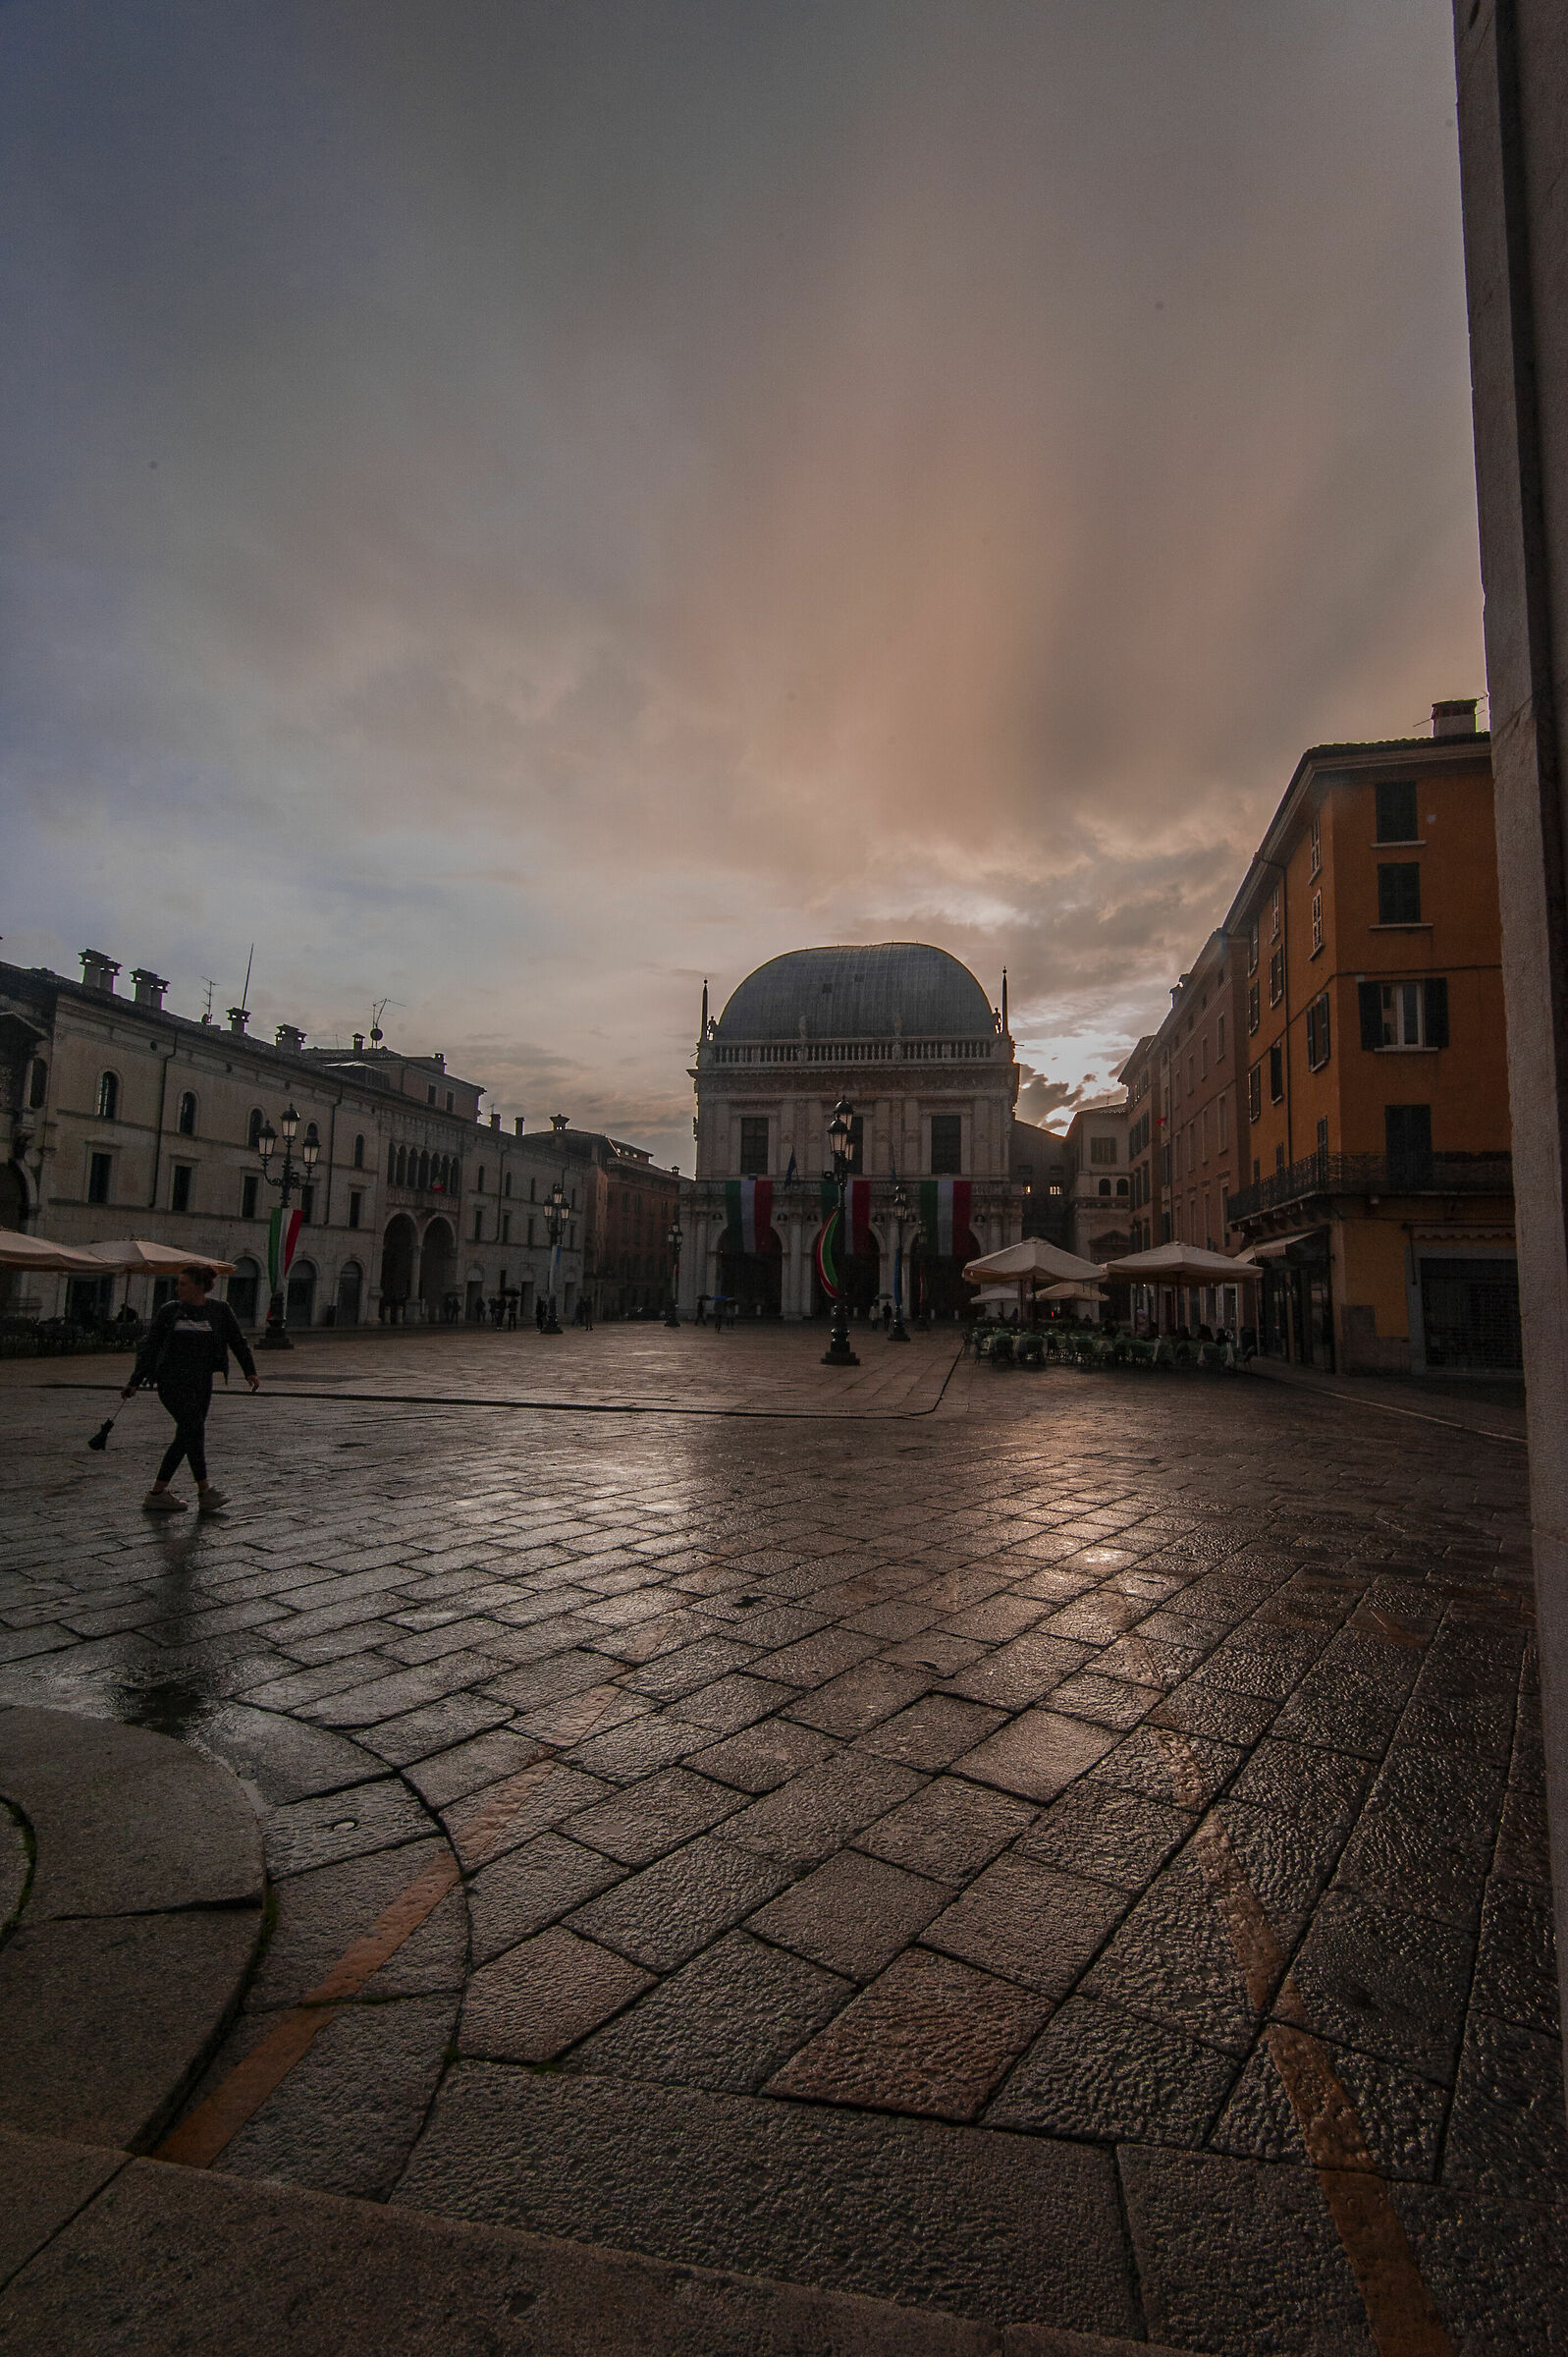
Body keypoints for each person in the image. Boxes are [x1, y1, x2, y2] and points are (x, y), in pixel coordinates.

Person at [125, 1266, 258, 1515]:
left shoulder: (219, 1310)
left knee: (187, 1435)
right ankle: (204, 1491)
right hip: (171, 1381)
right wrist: (135, 1380)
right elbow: (150, 1347)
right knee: (193, 1429)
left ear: (199, 1286)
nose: (178, 1288)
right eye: (179, 1284)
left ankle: (157, 1493)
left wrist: (249, 1370)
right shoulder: (169, 1311)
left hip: (201, 1382)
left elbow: (237, 1340)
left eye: (183, 1284)